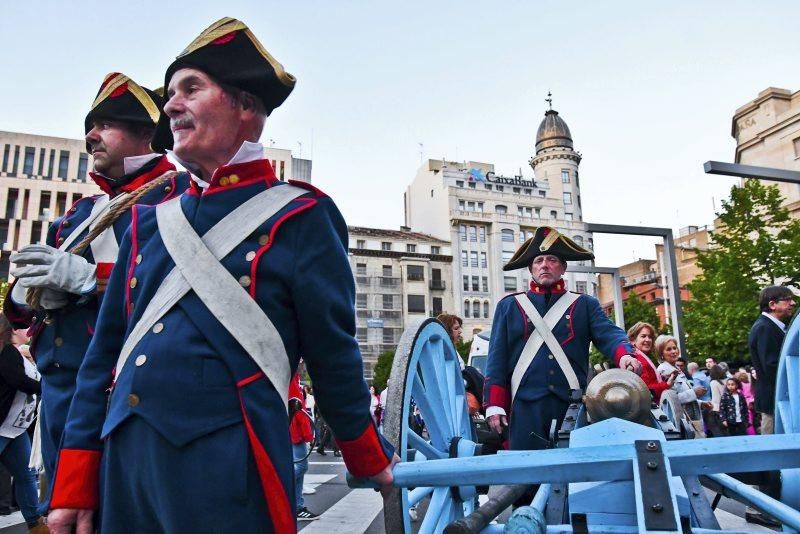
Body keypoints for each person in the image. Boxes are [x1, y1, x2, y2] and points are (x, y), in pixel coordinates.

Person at [47, 18, 395, 533]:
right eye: (171, 94)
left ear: (246, 106)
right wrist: (75, 482)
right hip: (127, 460)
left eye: (192, 89)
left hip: (228, 459)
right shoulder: (148, 221)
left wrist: (368, 458)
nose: (170, 107)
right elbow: (101, 361)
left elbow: (332, 352)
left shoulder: (299, 214)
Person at [5, 73, 190, 510]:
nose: (91, 136)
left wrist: (86, 280)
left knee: (119, 510)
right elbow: (21, 308)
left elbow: (174, 280)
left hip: (125, 385)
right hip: (60, 381)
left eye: (106, 124)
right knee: (64, 511)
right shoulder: (80, 213)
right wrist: (26, 296)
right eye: (92, 125)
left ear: (146, 134)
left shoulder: (179, 193)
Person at [483, 227, 642, 451]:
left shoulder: (585, 304)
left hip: (572, 404)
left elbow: (609, 334)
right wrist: (494, 405)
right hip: (525, 405)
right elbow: (496, 360)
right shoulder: (509, 306)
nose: (544, 265)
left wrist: (625, 354)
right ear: (531, 269)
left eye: (552, 260)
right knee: (525, 478)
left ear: (563, 268)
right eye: (538, 261)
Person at [0, 315, 47, 533]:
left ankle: (35, 523)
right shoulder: (8, 352)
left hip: (13, 426)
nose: (27, 329)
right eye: (22, 326)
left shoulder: (12, 352)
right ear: (12, 329)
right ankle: (35, 524)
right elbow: (17, 379)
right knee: (25, 475)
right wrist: (46, 388)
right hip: (6, 424)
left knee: (26, 474)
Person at [749, 286, 796, 436]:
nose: (793, 303)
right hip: (774, 401)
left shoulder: (768, 326)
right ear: (772, 305)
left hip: (775, 399)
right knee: (773, 448)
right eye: (787, 300)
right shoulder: (765, 328)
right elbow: (772, 366)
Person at [655, 335, 706, 424]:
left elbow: (684, 395)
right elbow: (670, 399)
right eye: (669, 349)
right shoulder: (663, 370)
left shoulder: (677, 368)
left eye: (675, 348)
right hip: (678, 422)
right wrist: (694, 392)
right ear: (661, 354)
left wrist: (701, 403)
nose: (674, 351)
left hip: (690, 421)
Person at [289, 372, 319, 521]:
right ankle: (295, 504)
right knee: (300, 467)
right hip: (295, 430)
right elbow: (298, 408)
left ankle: (297, 506)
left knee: (298, 467)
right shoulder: (292, 376)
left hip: (291, 428)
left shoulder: (291, 375)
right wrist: (307, 432)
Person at [627, 322, 673, 402]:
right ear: (633, 340)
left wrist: (665, 378)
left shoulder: (641, 357)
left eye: (650, 337)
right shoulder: (638, 360)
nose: (648, 340)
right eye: (643, 336)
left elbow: (650, 381)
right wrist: (666, 385)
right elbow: (646, 390)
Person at [706, 364, 728, 437]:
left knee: (718, 431)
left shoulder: (713, 383)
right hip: (729, 407)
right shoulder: (727, 380)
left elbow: (716, 398)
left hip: (717, 409)